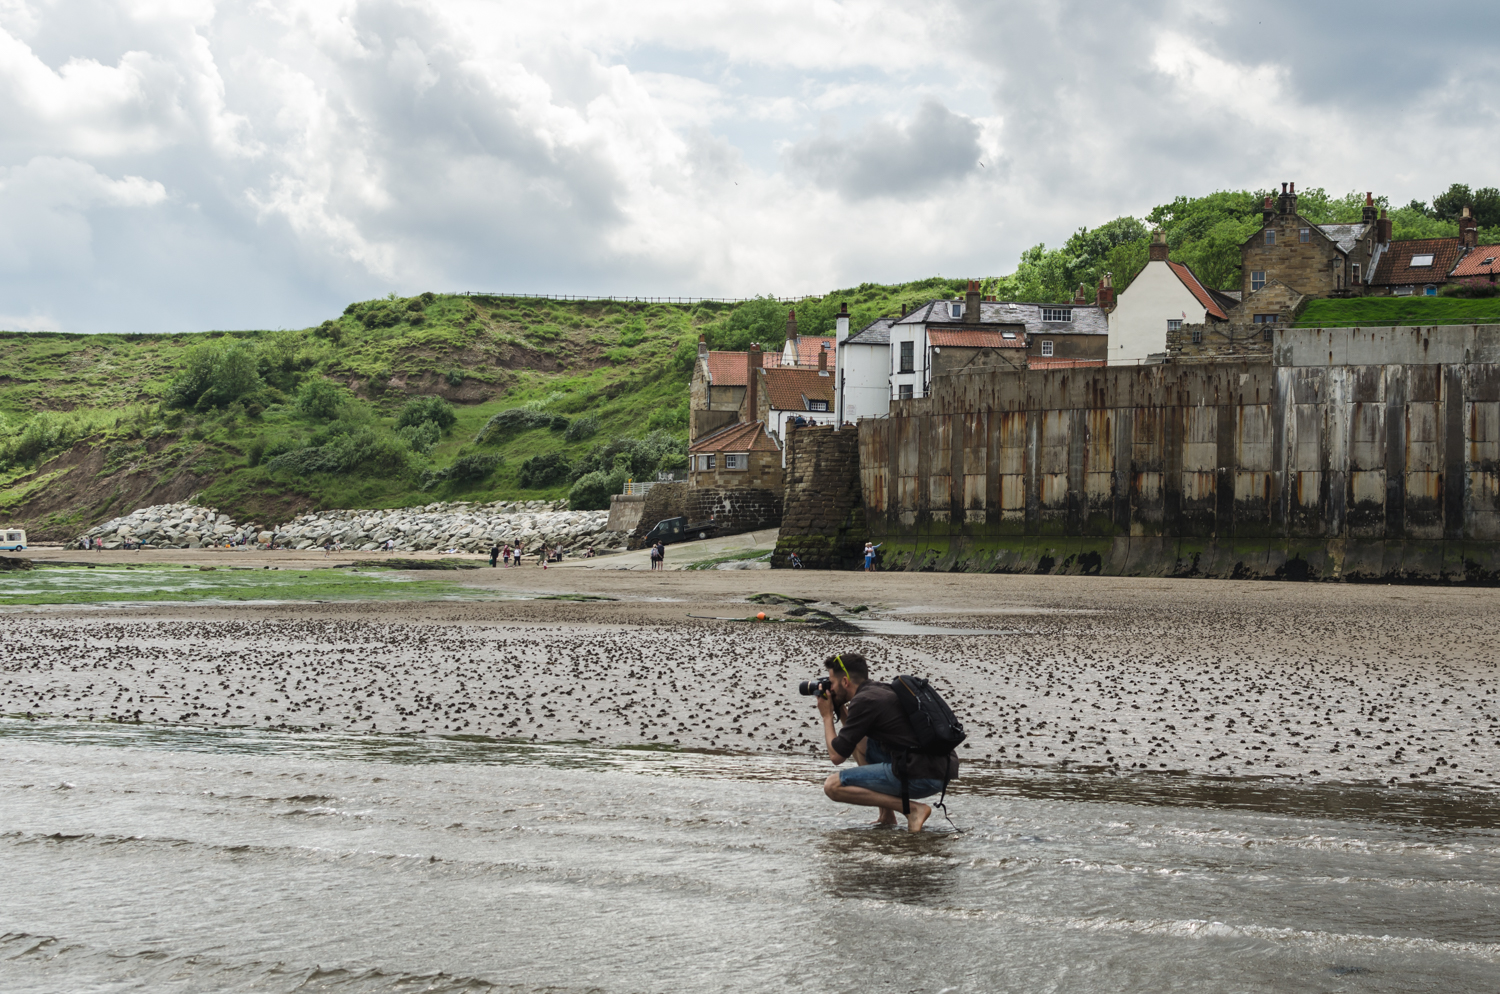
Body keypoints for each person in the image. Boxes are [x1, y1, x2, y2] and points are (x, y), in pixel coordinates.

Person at [814, 652, 959, 833]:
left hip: (923, 776)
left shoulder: (864, 700)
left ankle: (912, 810)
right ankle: (886, 817)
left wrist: (827, 715)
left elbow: (836, 756)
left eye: (832, 683)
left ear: (845, 682)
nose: (830, 688)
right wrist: (838, 706)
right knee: (862, 746)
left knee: (832, 786)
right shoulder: (877, 690)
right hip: (937, 769)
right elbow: (853, 739)